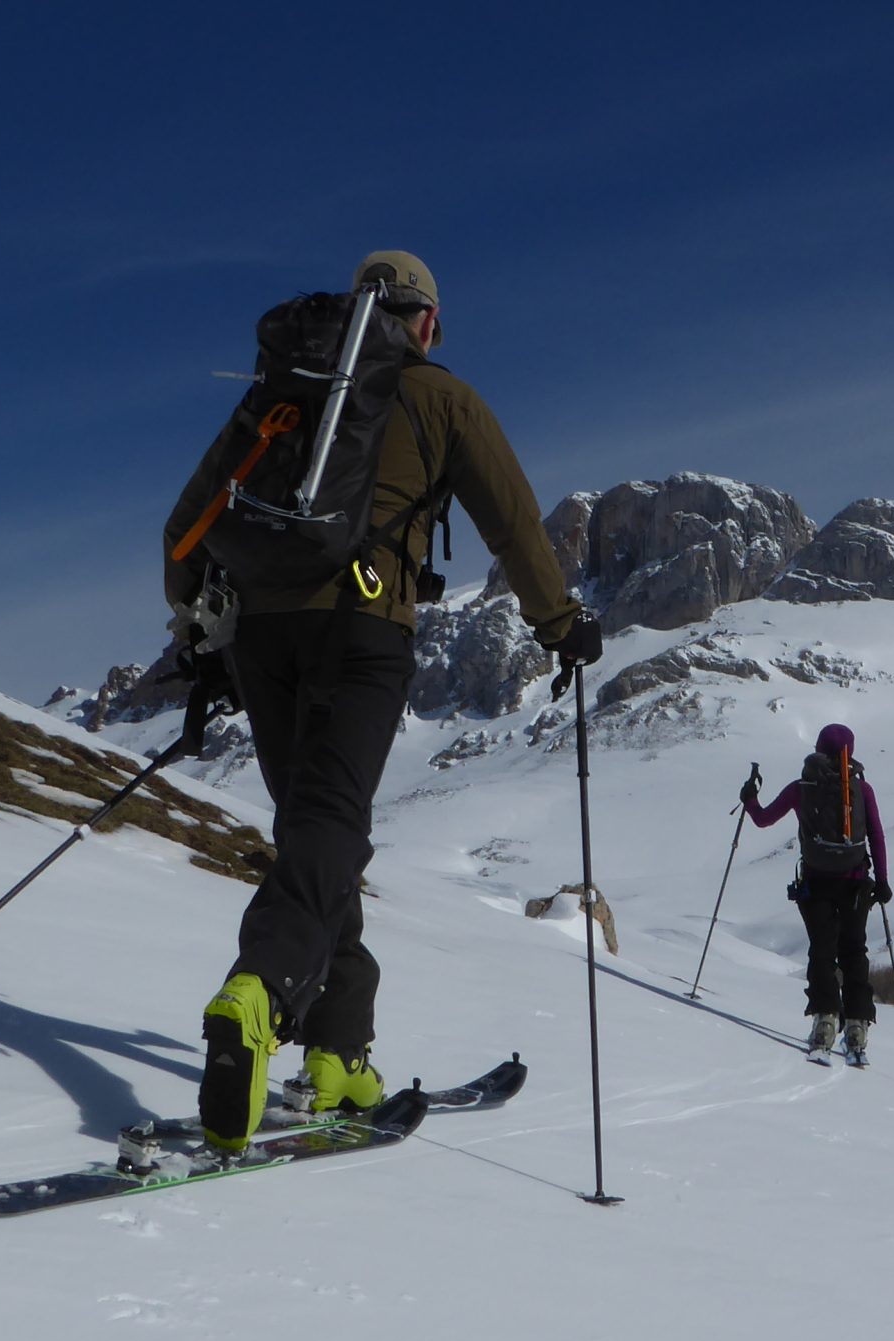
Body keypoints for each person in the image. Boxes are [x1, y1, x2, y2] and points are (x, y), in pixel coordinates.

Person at [162, 250, 601, 1151]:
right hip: (364, 630)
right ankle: (259, 990)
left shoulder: (287, 390)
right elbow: (514, 523)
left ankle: (337, 1051)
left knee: (317, 833)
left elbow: (186, 530)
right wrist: (561, 626)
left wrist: (201, 638)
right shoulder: (444, 399)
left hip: (261, 637)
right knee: (332, 820)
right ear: (427, 323)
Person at [742, 724, 892, 1062]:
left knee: (822, 952)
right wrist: (881, 881)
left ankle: (825, 1021)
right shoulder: (862, 790)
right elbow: (877, 837)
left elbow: (764, 819)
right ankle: (856, 1028)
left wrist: (749, 799)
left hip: (816, 884)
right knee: (855, 951)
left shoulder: (802, 788)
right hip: (856, 883)